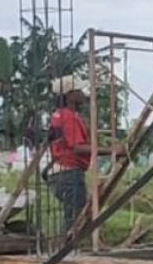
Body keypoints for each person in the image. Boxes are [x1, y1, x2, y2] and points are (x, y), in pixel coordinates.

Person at [47, 75, 125, 241]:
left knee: (74, 213)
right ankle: (67, 248)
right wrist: (111, 151)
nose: (83, 93)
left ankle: (68, 246)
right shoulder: (68, 117)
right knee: (75, 216)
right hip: (68, 172)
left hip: (60, 172)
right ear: (69, 95)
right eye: (79, 90)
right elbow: (77, 148)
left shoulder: (60, 115)